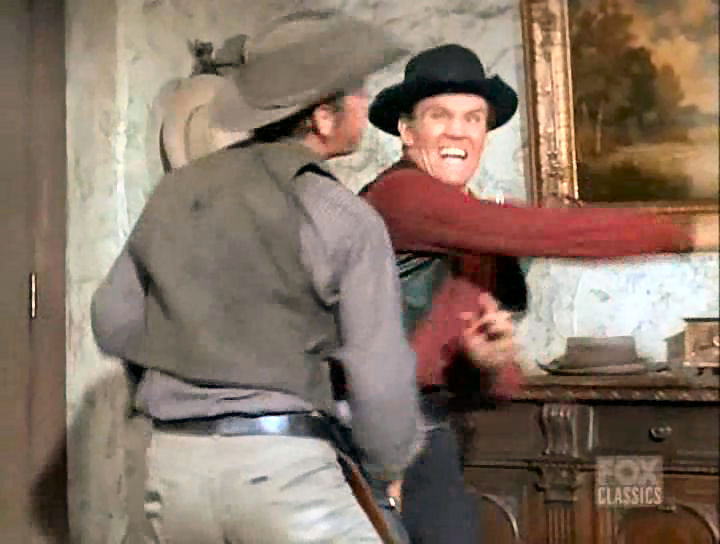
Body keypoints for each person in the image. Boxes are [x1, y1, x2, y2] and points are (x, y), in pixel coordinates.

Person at [361, 43, 719, 543]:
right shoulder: (401, 195)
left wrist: (489, 362)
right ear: (406, 130)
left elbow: (494, 382)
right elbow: (548, 231)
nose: (458, 131)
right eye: (439, 115)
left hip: (432, 434)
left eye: (473, 118)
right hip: (374, 437)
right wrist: (693, 233)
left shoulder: (470, 226)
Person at [91, 11, 425, 543]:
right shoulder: (341, 216)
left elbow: (111, 319)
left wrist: (188, 357)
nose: (367, 103)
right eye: (358, 91)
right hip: (286, 473)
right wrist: (388, 467)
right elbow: (378, 377)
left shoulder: (177, 192)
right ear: (323, 116)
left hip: (173, 472)